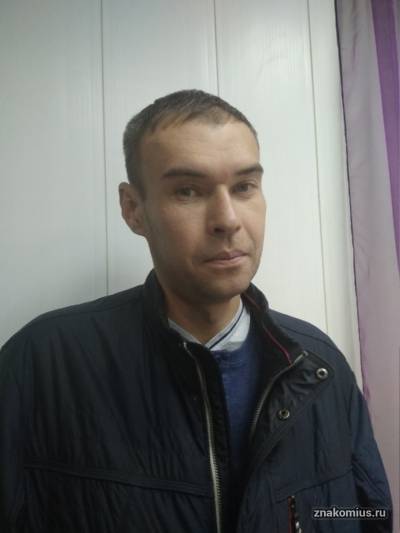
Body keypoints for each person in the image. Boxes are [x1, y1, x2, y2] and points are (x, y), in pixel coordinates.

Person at [0, 89, 392, 533]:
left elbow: (366, 514)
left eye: (244, 187)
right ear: (133, 209)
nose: (228, 219)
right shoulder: (43, 365)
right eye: (187, 191)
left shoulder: (319, 365)